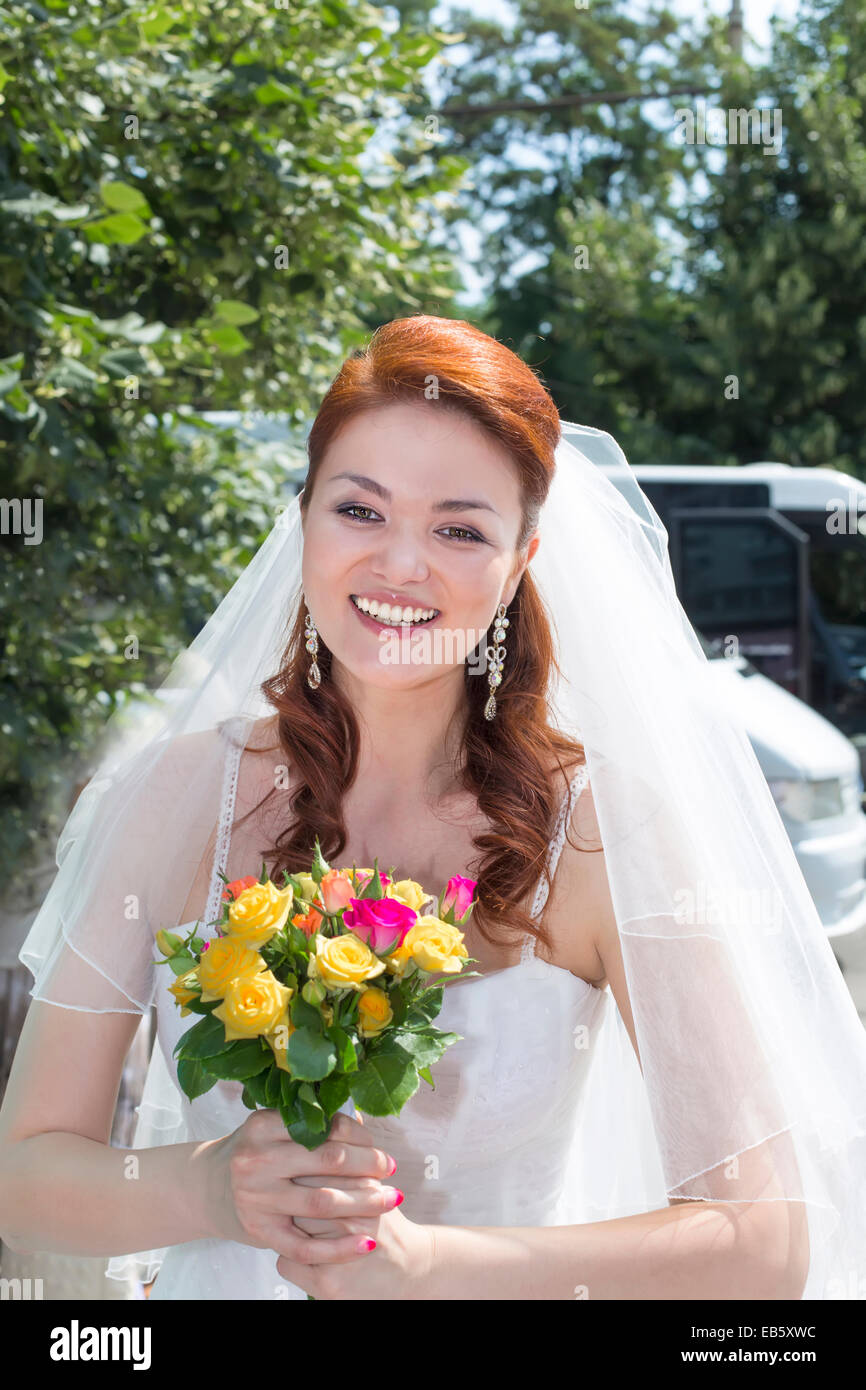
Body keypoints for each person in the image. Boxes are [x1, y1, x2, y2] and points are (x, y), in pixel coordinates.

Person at [1, 316, 864, 1300]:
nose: (400, 565)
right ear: (304, 513)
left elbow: (762, 1242)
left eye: (458, 528)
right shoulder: (179, 794)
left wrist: (429, 1270)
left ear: (520, 556)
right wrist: (211, 1189)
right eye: (359, 510)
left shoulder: (601, 830)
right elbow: (24, 1176)